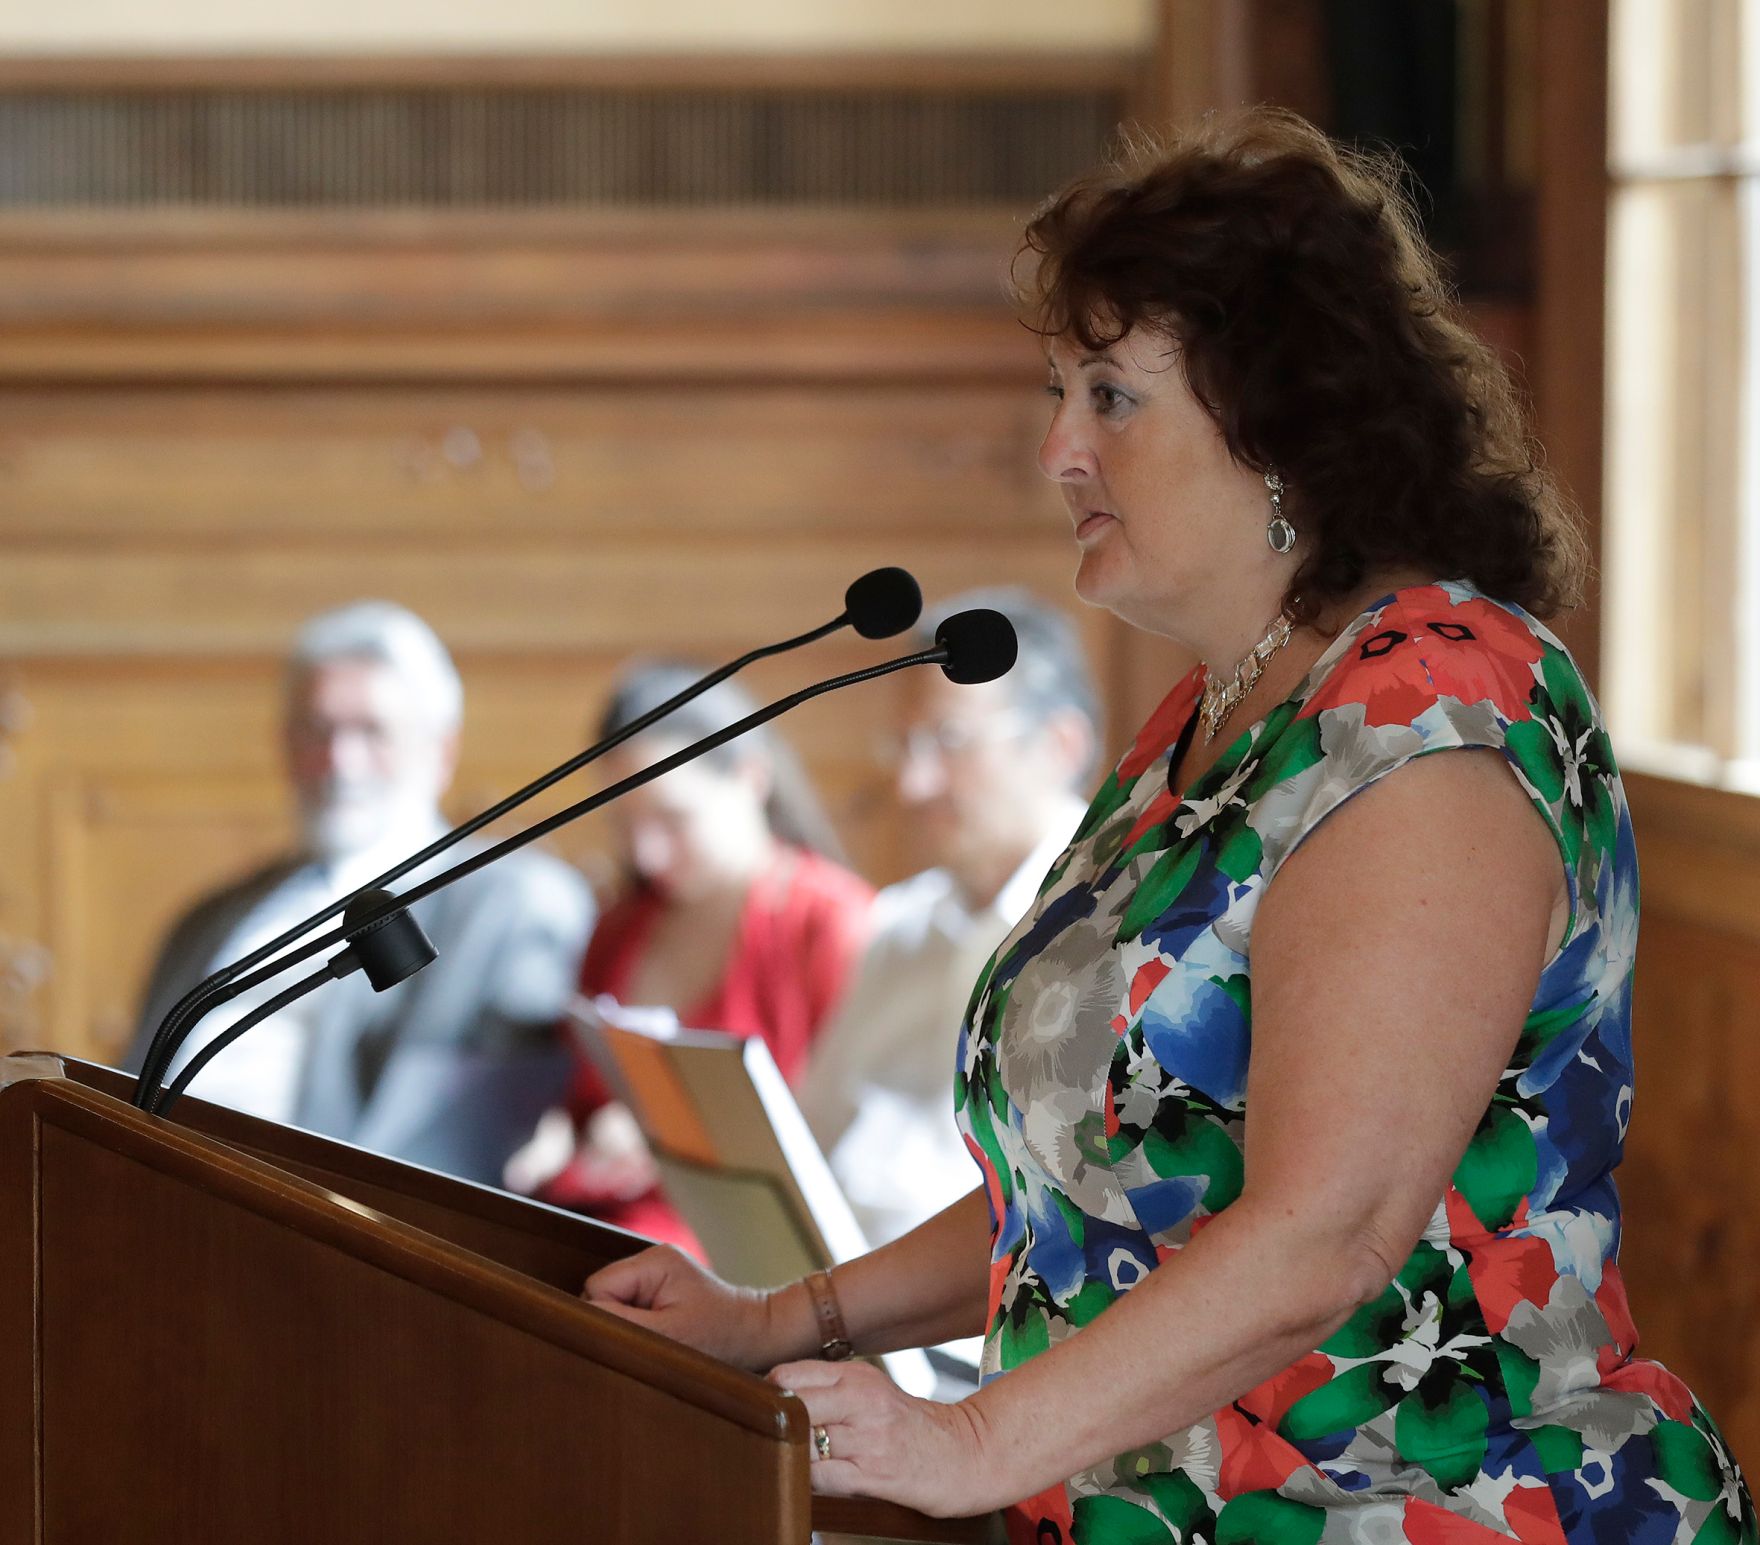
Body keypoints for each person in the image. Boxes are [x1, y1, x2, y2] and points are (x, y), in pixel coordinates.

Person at [580, 110, 1757, 1544]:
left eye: (1112, 396)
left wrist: (967, 1440)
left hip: (1431, 1508)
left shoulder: (1438, 712)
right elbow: (1098, 1177)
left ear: (1282, 419)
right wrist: (780, 1319)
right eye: (1058, 391)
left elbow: (1329, 1232)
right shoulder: (1215, 721)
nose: (1058, 449)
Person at [127, 601, 594, 1187]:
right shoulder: (213, 917)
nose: (340, 763)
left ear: (441, 749)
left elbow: (466, 1145)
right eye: (317, 732)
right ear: (284, 745)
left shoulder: (516, 905)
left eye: (373, 732)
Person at [527, 662, 873, 1241]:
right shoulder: (621, 924)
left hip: (738, 1247)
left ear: (751, 777)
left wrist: (670, 1139)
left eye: (672, 818)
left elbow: (849, 1139)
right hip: (590, 1219)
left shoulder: (831, 923)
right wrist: (557, 1134)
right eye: (626, 824)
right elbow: (575, 1102)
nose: (648, 854)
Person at [796, 588, 1099, 1249]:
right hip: (835, 1291)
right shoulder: (898, 925)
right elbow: (806, 1144)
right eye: (903, 745)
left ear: (1059, 744)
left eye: (949, 741)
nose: (913, 784)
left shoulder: (1111, 922)